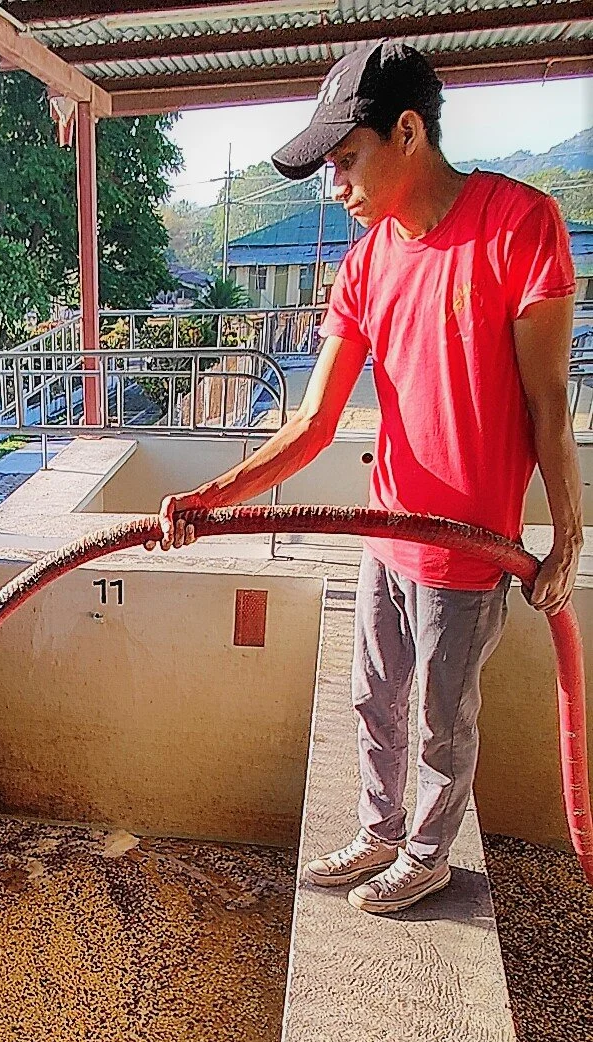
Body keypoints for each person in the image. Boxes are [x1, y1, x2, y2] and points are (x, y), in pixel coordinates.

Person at [147, 39, 582, 915]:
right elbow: (311, 424)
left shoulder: (520, 227)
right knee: (372, 696)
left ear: (409, 133)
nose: (333, 184)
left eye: (347, 158)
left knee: (440, 718)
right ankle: (381, 832)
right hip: (390, 530)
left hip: (469, 548)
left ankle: (427, 854)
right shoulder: (367, 262)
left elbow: (549, 409)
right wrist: (209, 500)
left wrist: (564, 536)